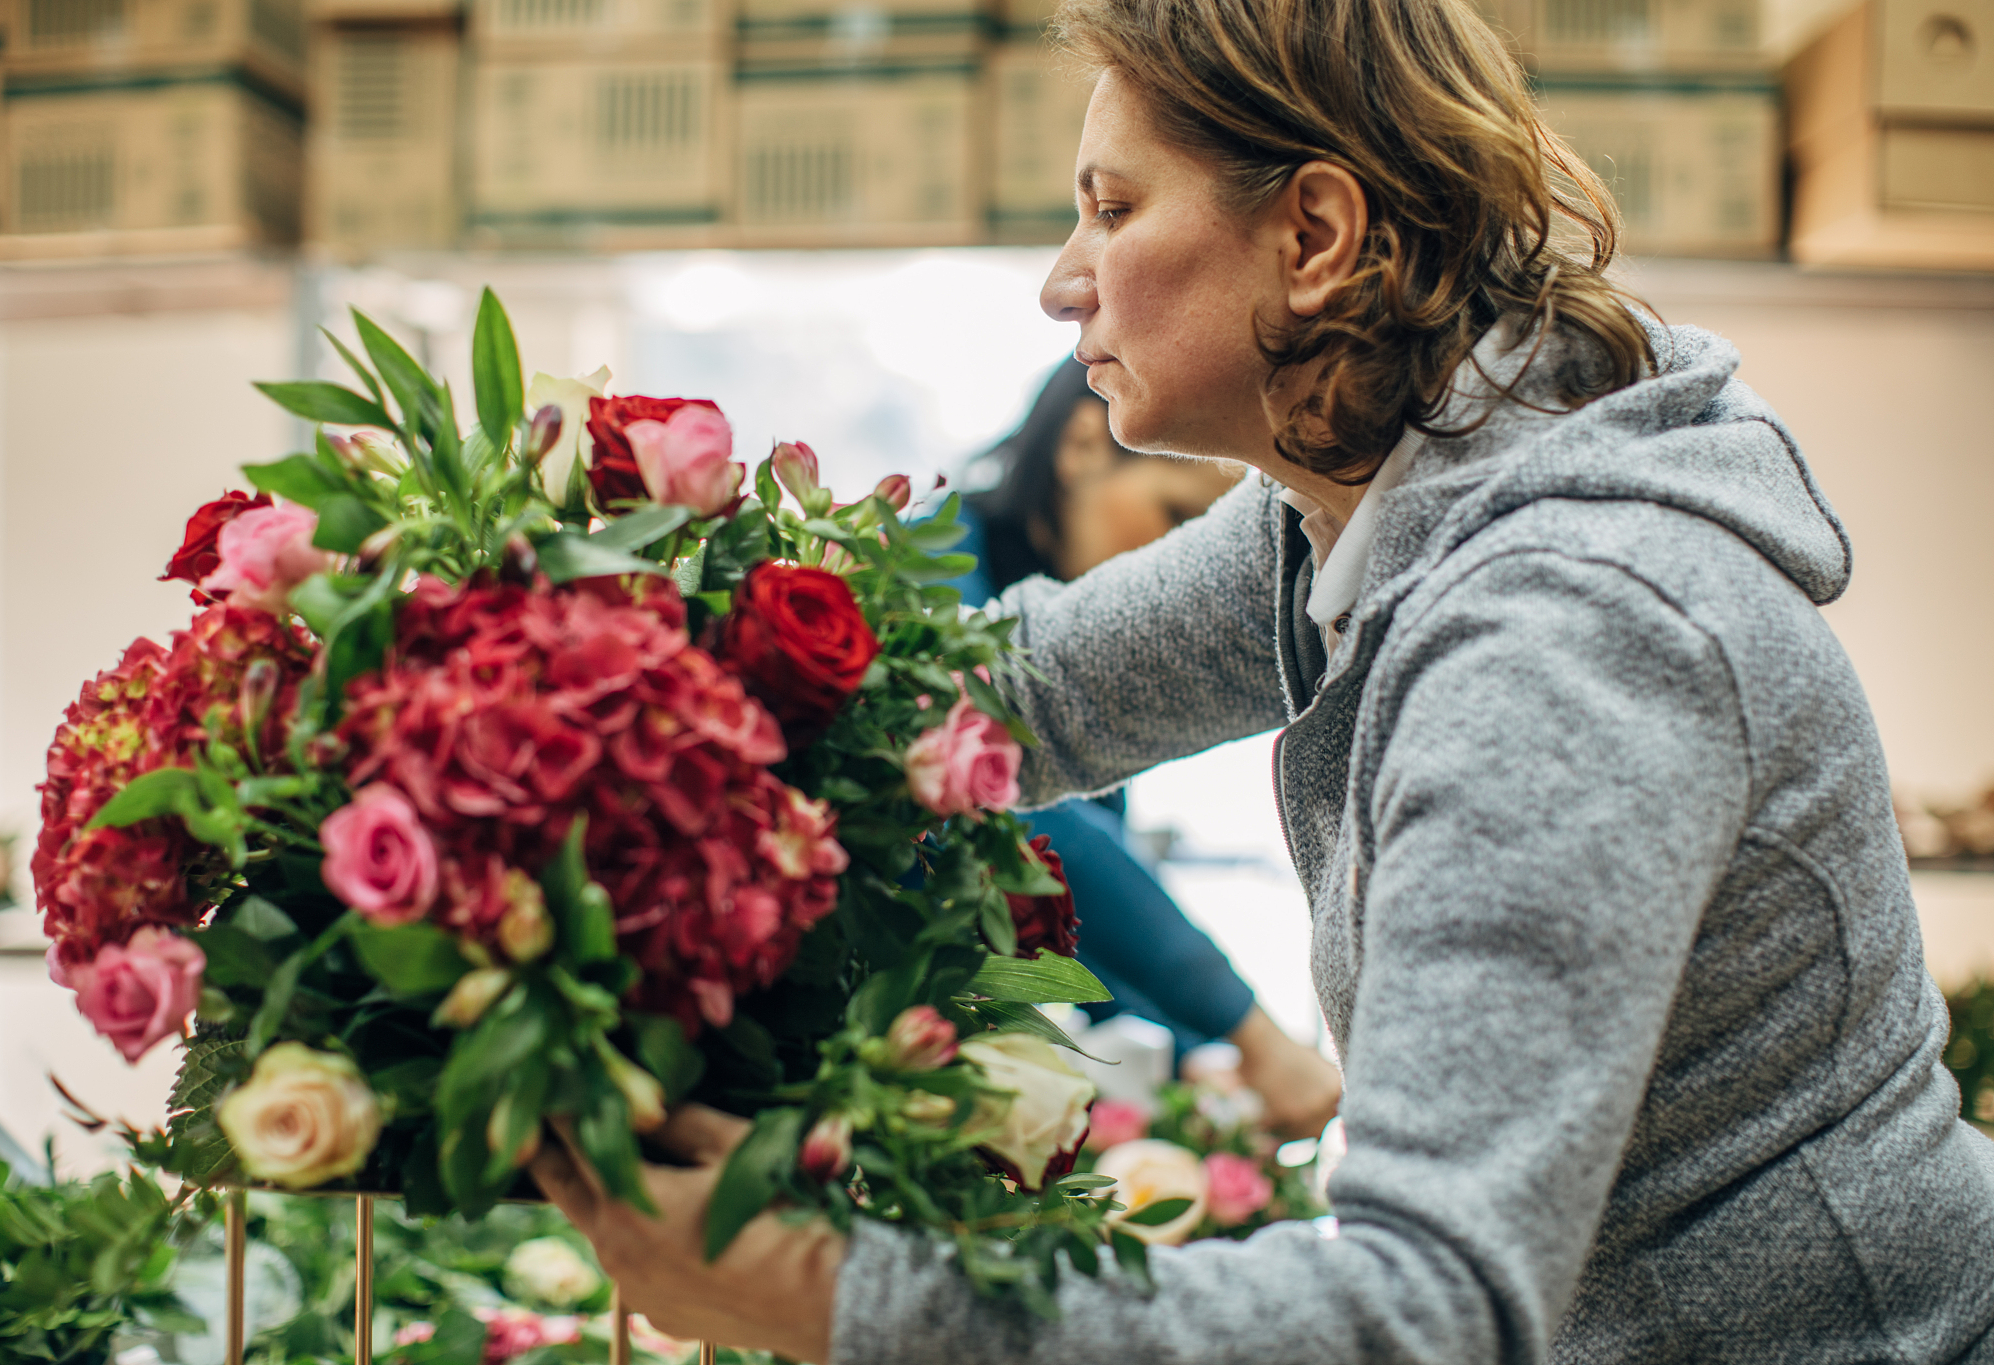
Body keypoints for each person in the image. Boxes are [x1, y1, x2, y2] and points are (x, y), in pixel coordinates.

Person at [532, 0, 1994, 1357]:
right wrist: (545, 724)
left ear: (1314, 236)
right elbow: (1011, 695)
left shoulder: (1568, 638)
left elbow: (1424, 1315)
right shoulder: (1357, 503)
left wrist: (833, 1291)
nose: (1062, 281)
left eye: (1112, 209)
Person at [952, 358, 1338, 1137]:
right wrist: (1248, 1032)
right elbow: (1032, 833)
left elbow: (1072, 924)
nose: (1181, 572)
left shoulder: (1068, 635)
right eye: (1174, 519)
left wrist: (1197, 1058)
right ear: (1086, 443)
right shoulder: (930, 571)